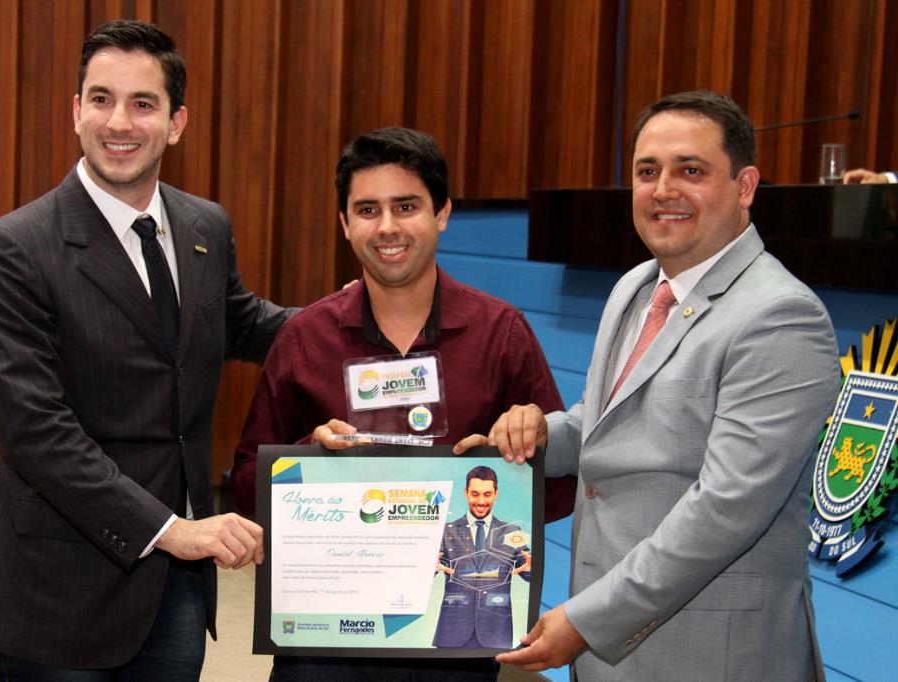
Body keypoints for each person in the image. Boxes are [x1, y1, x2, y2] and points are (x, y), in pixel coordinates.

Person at [457, 91, 840, 680]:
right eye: (647, 171)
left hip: (711, 657)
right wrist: (534, 438)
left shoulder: (781, 316)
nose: (663, 190)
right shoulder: (636, 288)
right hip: (611, 654)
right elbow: (603, 426)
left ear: (744, 186)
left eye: (691, 170)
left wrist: (587, 622)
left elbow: (726, 508)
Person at [0, 20, 292, 679]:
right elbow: (37, 434)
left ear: (176, 123)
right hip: (56, 594)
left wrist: (349, 319)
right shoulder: (13, 249)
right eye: (102, 99)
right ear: (75, 111)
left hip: (175, 591)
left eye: (143, 103)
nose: (119, 122)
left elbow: (243, 323)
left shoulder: (204, 224)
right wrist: (175, 530)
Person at [231, 126, 575, 681]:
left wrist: (521, 453)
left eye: (406, 206)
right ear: (345, 223)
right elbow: (247, 482)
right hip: (324, 646)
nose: (387, 226)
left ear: (442, 213)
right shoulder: (304, 339)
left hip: (454, 645)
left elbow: (559, 493)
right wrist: (308, 457)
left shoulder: (502, 335)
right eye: (367, 210)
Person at [434, 465, 530, 650]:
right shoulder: (446, 531)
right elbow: (423, 574)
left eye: (487, 494)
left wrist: (532, 567)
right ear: (466, 493)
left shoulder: (511, 531)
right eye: (475, 494)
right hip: (452, 633)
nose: (480, 501)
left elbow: (529, 570)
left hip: (495, 633)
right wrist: (427, 567)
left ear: (495, 494)